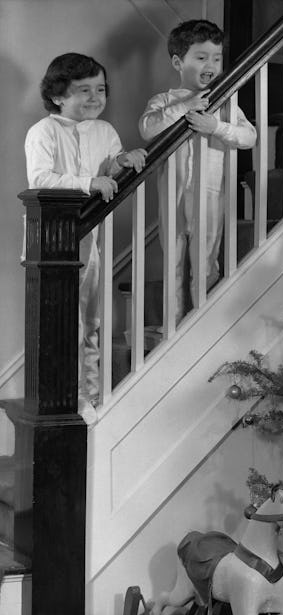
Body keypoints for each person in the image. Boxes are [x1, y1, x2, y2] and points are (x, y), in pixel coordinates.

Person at [25, 52, 147, 423]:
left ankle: (89, 393)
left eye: (100, 89)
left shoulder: (105, 130)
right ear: (59, 95)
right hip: (54, 239)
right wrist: (88, 183)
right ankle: (64, 395)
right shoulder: (43, 132)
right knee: (65, 320)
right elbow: (41, 180)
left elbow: (109, 165)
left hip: (92, 234)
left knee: (92, 318)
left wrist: (122, 161)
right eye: (84, 90)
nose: (95, 97)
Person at [139, 19, 257, 321]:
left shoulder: (225, 102)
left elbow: (249, 137)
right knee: (173, 266)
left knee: (206, 265)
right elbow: (148, 129)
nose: (211, 65)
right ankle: (173, 333)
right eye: (201, 57)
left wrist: (216, 126)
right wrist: (188, 105)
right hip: (173, 195)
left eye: (217, 58)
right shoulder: (164, 101)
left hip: (210, 193)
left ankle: (203, 327)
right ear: (179, 62)